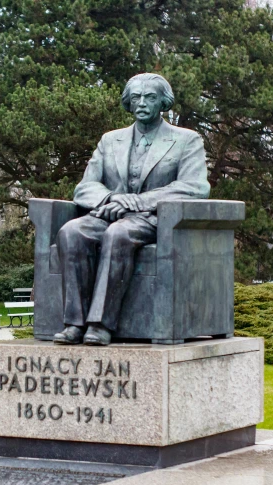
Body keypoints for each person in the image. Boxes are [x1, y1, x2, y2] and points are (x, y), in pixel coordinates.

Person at [54, 73, 210, 346]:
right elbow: (85, 187)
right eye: (135, 97)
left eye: (150, 97)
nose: (142, 103)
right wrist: (111, 200)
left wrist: (138, 202)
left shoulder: (187, 139)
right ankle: (74, 323)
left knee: (119, 234)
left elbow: (194, 187)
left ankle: (100, 324)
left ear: (163, 102)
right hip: (109, 212)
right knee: (71, 232)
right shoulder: (110, 140)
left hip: (154, 219)